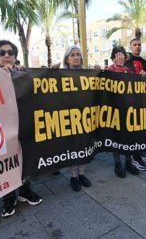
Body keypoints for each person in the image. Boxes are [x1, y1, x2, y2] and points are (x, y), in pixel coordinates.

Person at [0, 40, 43, 218]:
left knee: (24, 159)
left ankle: (24, 191)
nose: (6, 55)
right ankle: (8, 198)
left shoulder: (23, 74)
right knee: (6, 163)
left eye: (10, 52)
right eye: (2, 53)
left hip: (23, 126)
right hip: (0, 130)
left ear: (15, 56)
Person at [106, 46, 141, 177]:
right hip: (114, 109)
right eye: (117, 54)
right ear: (113, 56)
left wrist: (143, 78)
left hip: (128, 109)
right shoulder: (108, 70)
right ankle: (117, 163)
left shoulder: (129, 71)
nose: (119, 56)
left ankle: (128, 161)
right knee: (116, 136)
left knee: (128, 136)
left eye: (121, 54)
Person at [61, 46, 92, 191]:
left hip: (85, 115)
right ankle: (73, 176)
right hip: (69, 117)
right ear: (67, 59)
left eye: (78, 54)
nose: (76, 57)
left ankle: (82, 173)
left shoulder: (88, 73)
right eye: (72, 55)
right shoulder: (60, 74)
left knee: (84, 145)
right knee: (73, 146)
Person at [124, 38, 146, 169]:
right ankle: (134, 157)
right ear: (130, 47)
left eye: (139, 45)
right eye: (135, 45)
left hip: (142, 100)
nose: (137, 47)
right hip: (130, 101)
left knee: (141, 128)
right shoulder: (126, 62)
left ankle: (139, 152)